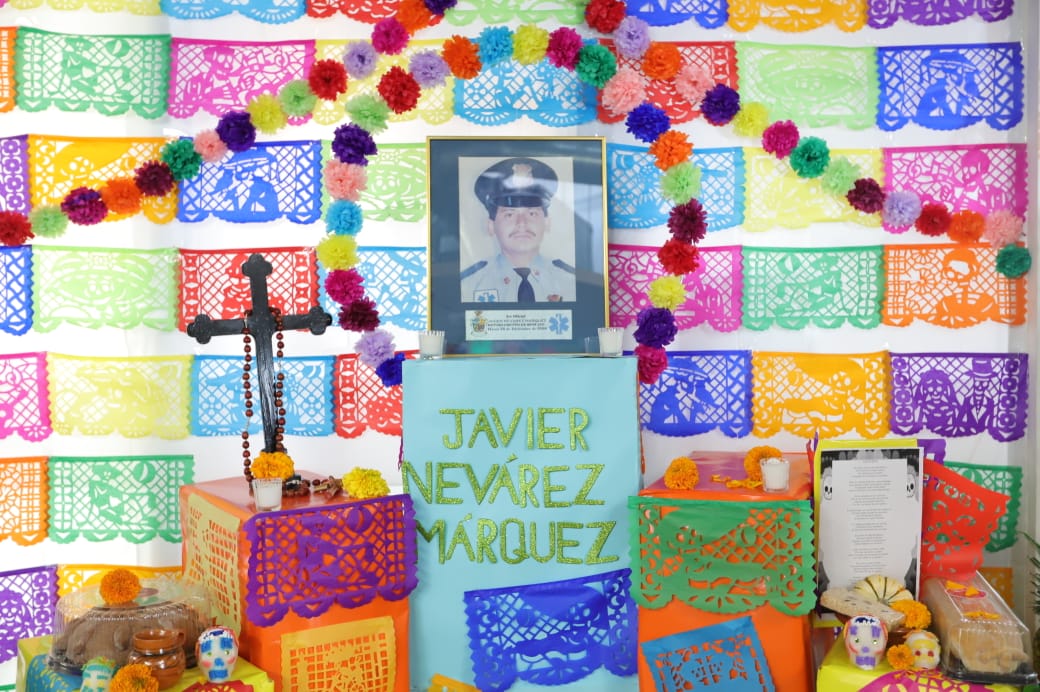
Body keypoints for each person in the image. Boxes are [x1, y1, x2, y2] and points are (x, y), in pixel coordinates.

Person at [460, 157, 576, 303]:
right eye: (509, 214)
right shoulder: (468, 285)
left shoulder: (570, 282)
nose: (522, 223)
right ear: (491, 226)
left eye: (532, 213)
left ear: (547, 223)